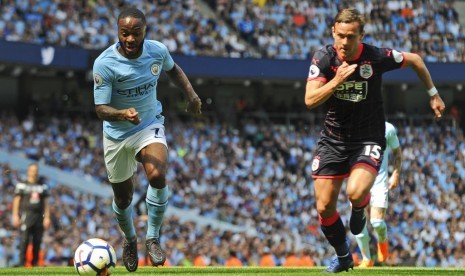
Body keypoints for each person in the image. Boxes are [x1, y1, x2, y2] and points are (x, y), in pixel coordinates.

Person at [304, 8, 445, 273]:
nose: (345, 43)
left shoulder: (376, 56)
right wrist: (337, 81)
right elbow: (310, 100)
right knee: (324, 208)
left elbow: (415, 59)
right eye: (341, 36)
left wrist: (433, 93)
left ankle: (359, 209)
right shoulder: (324, 58)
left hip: (368, 138)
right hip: (333, 140)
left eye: (351, 37)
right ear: (333, 32)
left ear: (361, 36)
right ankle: (344, 257)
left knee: (355, 193)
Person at [92, 7, 202, 272]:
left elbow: (174, 70)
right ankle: (130, 240)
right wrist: (121, 113)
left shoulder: (157, 51)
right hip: (117, 134)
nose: (130, 39)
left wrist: (192, 95)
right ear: (118, 32)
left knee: (157, 175)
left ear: (145, 32)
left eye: (136, 33)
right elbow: (100, 109)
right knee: (123, 199)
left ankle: (153, 237)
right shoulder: (104, 63)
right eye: (125, 33)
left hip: (148, 124)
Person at [355, 121, 402, 267]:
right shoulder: (353, 124)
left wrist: (395, 174)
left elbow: (397, 152)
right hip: (358, 181)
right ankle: (366, 259)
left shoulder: (388, 128)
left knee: (377, 222)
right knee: (357, 223)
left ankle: (383, 240)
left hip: (379, 182)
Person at [12, 163, 50, 267]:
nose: (34, 172)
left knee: (37, 240)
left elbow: (46, 203)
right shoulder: (22, 185)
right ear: (28, 171)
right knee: (24, 239)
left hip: (38, 217)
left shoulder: (42, 185)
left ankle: (35, 263)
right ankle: (21, 263)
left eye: (36, 170)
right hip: (26, 215)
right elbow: (17, 200)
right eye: (32, 170)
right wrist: (15, 215)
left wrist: (47, 217)